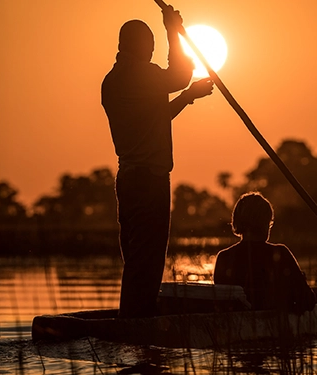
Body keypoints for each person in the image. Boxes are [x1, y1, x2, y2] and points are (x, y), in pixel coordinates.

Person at [101, 7, 215, 318]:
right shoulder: (142, 74)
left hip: (127, 179)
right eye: (150, 44)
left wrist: (189, 96)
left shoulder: (112, 82)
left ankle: (134, 320)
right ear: (137, 45)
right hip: (150, 181)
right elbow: (179, 73)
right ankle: (138, 325)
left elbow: (155, 116)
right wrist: (172, 30)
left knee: (137, 259)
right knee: (148, 260)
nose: (152, 51)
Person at [214, 192, 316, 313]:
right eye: (269, 223)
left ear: (237, 221)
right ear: (266, 223)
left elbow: (220, 303)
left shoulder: (224, 257)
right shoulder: (280, 253)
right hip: (276, 327)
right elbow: (308, 301)